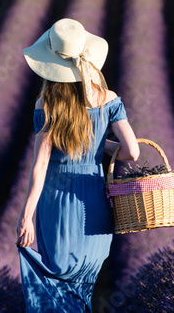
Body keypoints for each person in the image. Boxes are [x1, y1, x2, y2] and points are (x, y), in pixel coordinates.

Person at [16, 18, 140, 312]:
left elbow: (40, 164)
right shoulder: (108, 99)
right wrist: (97, 147)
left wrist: (27, 215)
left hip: (56, 202)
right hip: (92, 203)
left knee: (59, 287)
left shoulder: (47, 103)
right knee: (83, 289)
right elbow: (131, 152)